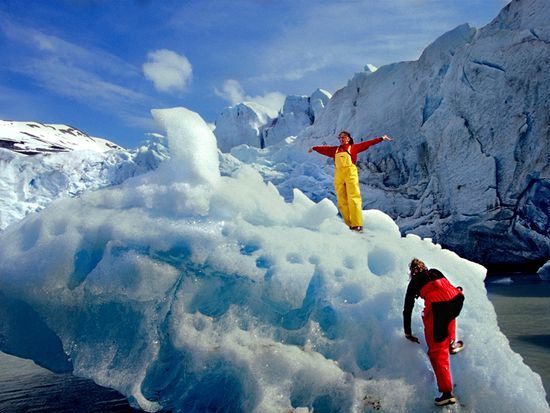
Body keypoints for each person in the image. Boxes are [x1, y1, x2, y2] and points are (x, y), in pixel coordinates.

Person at [403, 258, 465, 406]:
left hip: (438, 308)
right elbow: (447, 288)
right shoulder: (435, 272)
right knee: (449, 315)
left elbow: (408, 309)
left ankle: (446, 393)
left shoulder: (414, 283)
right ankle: (451, 343)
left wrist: (408, 332)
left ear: (412, 272)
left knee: (436, 352)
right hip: (456, 298)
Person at [308, 131, 392, 231]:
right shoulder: (335, 150)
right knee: (341, 200)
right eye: (340, 138)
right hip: (339, 174)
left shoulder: (354, 147)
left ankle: (357, 224)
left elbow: (368, 143)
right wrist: (313, 148)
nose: (341, 139)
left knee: (353, 197)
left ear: (348, 138)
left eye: (343, 137)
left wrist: (381, 138)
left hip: (350, 173)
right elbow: (324, 149)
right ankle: (349, 224)